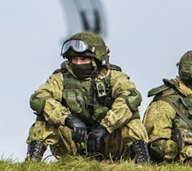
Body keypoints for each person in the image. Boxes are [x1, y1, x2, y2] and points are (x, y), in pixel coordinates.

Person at [25, 32, 149, 162]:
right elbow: (39, 98)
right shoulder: (60, 78)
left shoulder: (113, 76)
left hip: (110, 144)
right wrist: (67, 118)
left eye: (84, 59)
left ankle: (144, 163)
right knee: (45, 116)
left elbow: (131, 97)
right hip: (74, 143)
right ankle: (31, 162)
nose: (78, 63)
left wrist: (105, 127)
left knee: (131, 117)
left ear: (97, 60)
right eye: (74, 59)